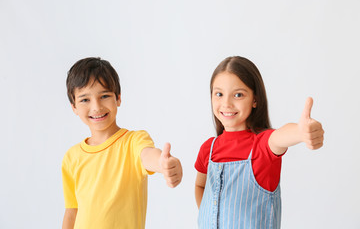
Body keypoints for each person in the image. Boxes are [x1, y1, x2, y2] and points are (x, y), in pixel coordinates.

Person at [194, 56, 324, 229]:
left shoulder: (262, 144)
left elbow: (281, 136)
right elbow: (200, 185)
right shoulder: (208, 149)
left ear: (255, 99)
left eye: (238, 95)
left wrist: (301, 132)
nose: (226, 103)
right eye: (219, 94)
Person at [61, 57, 183, 229]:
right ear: (74, 106)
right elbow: (72, 211)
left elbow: (148, 155)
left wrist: (163, 164)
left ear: (118, 98)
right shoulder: (71, 157)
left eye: (104, 96)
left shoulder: (133, 141)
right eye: (85, 100)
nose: (96, 107)